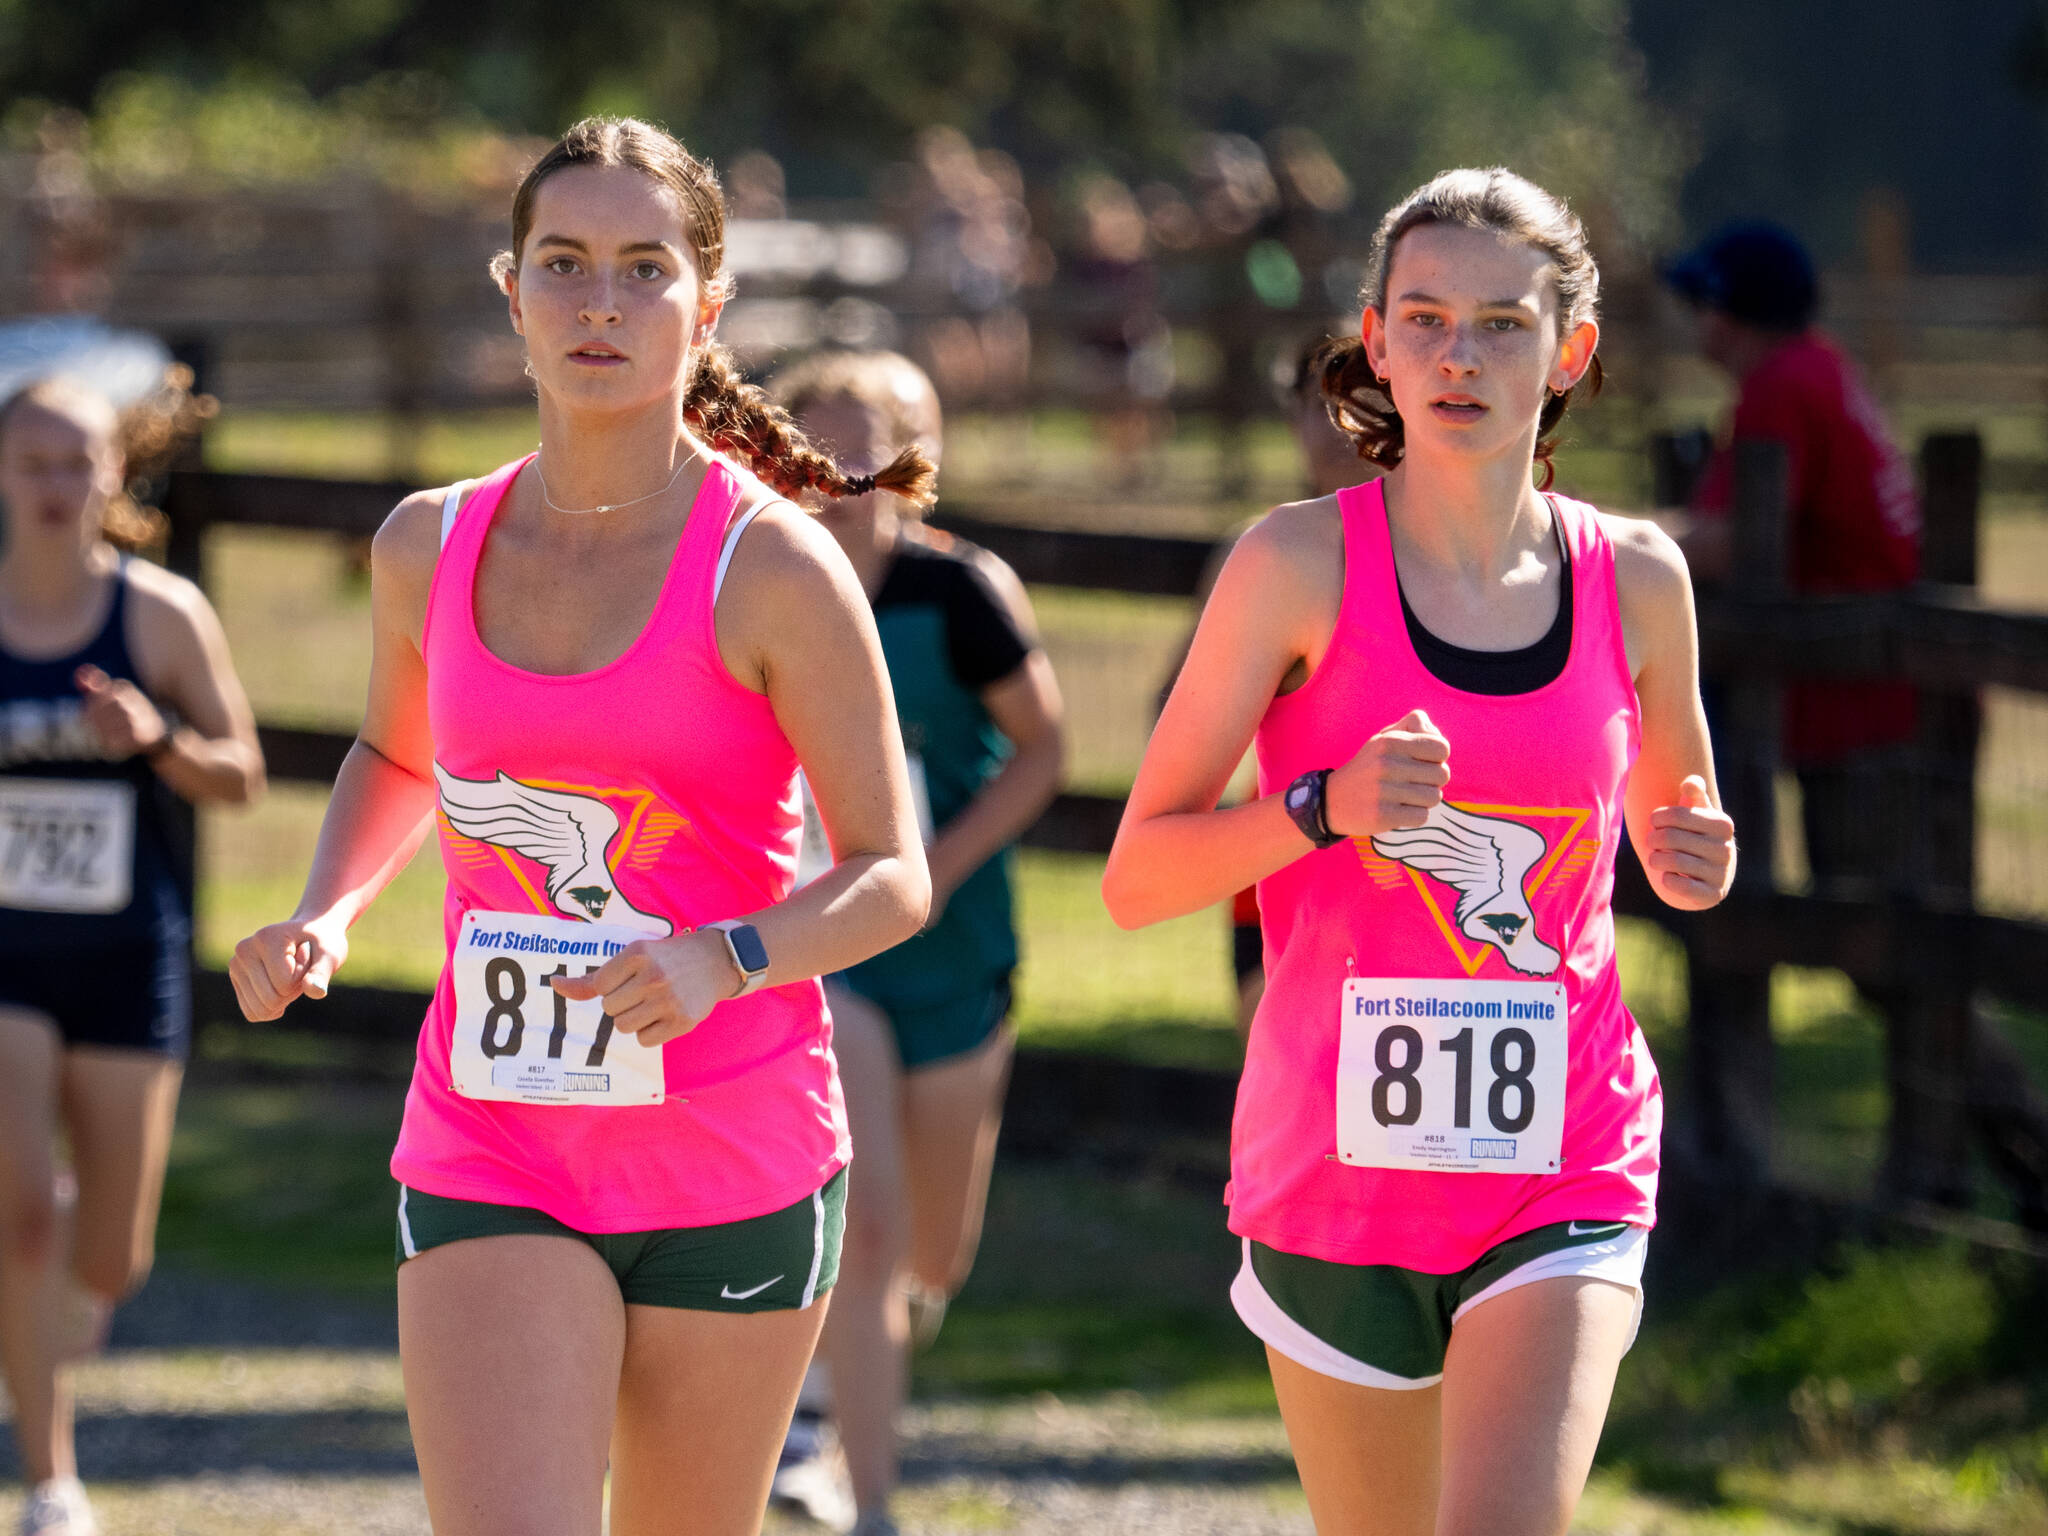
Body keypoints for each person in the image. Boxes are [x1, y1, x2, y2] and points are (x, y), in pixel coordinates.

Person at [228, 117, 934, 1536]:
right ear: (511, 288)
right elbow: (396, 752)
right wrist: (328, 908)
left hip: (731, 1151)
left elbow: (889, 875)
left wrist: (722, 957)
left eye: (642, 269)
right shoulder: (427, 542)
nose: (599, 304)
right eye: (562, 263)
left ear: (707, 305)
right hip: (496, 1138)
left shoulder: (776, 568)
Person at [1104, 168, 1737, 1534]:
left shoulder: (1636, 578)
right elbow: (1137, 874)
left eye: (1503, 324)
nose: (1462, 356)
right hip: (1335, 1167)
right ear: (1377, 339)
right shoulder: (1293, 567)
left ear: (1570, 351)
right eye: (1429, 320)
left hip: (1565, 1151)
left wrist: (1699, 856)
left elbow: (1677, 822)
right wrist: (1319, 809)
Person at [768, 350, 1065, 1536]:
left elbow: (1043, 751)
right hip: (825, 949)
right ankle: (865, 1494)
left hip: (953, 948)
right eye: (813, 453)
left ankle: (850, 1388)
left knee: (933, 1248)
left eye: (862, 454)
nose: (837, 480)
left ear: (910, 464)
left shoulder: (961, 597)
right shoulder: (761, 589)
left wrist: (930, 869)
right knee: (869, 1226)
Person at [1, 374, 265, 1536]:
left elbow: (243, 775)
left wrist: (155, 738)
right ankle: (51, 1478)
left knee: (108, 1262)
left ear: (116, 474)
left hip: (124, 951)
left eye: (78, 463)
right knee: (17, 1219)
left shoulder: (157, 614)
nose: (57, 487)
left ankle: (66, 1241)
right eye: (35, 464)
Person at [1662, 221, 1921, 880]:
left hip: (1860, 691)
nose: (1696, 319)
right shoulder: (1813, 366)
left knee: (1871, 909)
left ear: (1728, 310)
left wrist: (1603, 539)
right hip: (1875, 681)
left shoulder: (1780, 387)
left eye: (1703, 302)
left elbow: (1730, 544)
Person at [1162, 335, 1375, 1036]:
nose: (1341, 424)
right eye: (1319, 406)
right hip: (1286, 852)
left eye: (1362, 399)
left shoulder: (1455, 552)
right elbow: (1174, 710)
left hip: (1419, 859)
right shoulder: (1258, 554)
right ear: (1293, 420)